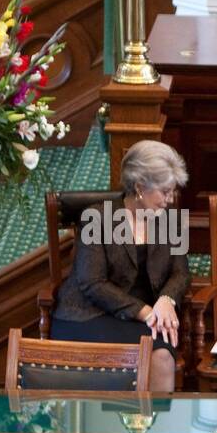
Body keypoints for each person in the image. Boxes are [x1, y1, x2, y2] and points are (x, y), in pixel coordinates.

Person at [51, 141, 190, 392]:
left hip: (141, 321)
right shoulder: (96, 218)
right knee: (156, 354)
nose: (170, 200)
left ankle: (151, 430)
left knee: (161, 355)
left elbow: (180, 272)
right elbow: (92, 283)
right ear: (139, 187)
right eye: (165, 192)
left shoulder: (171, 220)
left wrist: (167, 299)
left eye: (173, 192)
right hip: (89, 315)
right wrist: (147, 312)